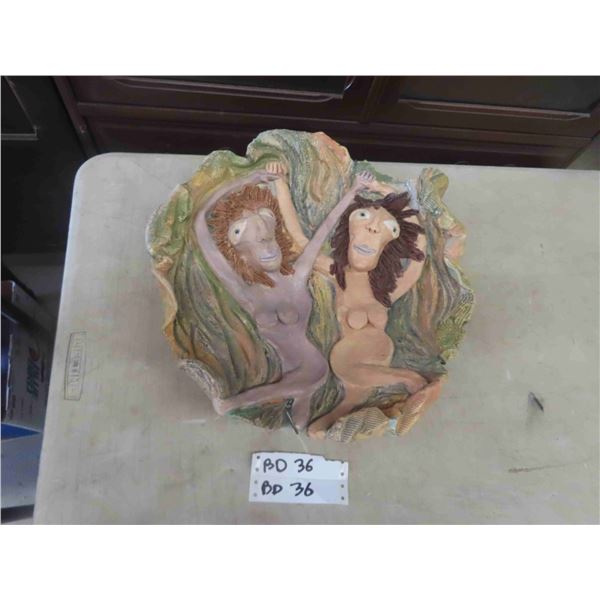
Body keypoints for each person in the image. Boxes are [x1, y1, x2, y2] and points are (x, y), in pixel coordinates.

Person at [193, 163, 374, 429]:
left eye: (270, 239)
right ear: (242, 257)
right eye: (255, 243)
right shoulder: (244, 291)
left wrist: (354, 190)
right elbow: (200, 222)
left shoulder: (297, 276)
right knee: (299, 425)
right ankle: (301, 420)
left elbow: (325, 229)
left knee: (295, 392)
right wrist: (248, 178)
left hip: (313, 367)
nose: (267, 247)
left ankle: (234, 402)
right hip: (286, 373)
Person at [275, 172, 444, 438]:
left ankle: (393, 412)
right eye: (364, 218)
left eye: (387, 227)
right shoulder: (336, 275)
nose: (373, 228)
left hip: (375, 369)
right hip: (348, 364)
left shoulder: (386, 292)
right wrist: (280, 183)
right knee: (410, 380)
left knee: (321, 427)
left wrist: (383, 188)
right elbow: (297, 239)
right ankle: (411, 383)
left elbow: (419, 253)